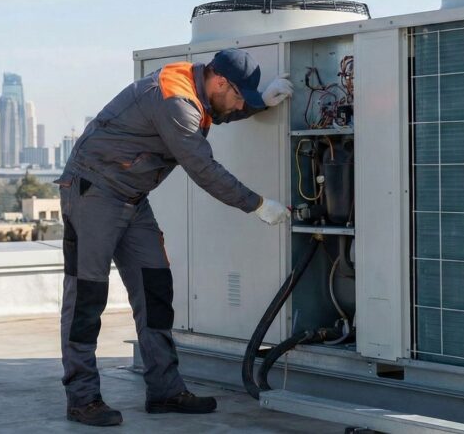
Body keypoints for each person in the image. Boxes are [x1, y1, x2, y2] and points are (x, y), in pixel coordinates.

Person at [55, 48, 293, 426]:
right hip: (93, 193)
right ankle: (82, 398)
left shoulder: (198, 90)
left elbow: (219, 110)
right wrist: (257, 205)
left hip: (131, 198)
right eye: (237, 96)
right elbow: (203, 168)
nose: (236, 105)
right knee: (87, 296)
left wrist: (258, 104)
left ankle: (165, 391)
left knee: (155, 289)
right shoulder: (175, 101)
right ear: (219, 81)